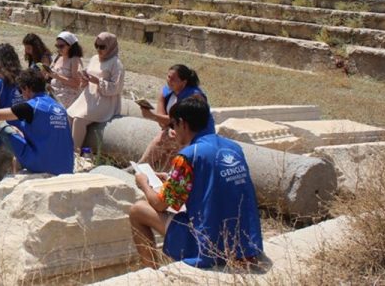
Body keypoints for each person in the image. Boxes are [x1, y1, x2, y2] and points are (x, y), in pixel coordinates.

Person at [129, 95, 263, 268]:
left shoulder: (189, 156)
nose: (172, 131)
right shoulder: (233, 147)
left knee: (137, 210)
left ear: (183, 124)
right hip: (246, 244)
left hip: (211, 245)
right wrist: (171, 179)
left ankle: (150, 271)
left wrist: (144, 183)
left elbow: (159, 204)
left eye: (173, 125)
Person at [0, 68, 74, 178]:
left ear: (27, 88)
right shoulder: (59, 107)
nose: (22, 95)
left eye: (21, 91)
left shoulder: (31, 106)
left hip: (42, 164)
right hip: (66, 166)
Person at [139, 64, 212, 171]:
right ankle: (149, 172)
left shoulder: (194, 97)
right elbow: (163, 124)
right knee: (166, 144)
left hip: (197, 136)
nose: (169, 81)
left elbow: (184, 121)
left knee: (162, 139)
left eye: (173, 79)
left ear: (184, 82)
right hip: (180, 132)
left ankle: (140, 167)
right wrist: (168, 127)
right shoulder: (166, 92)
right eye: (168, 77)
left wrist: (152, 116)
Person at [67, 32, 125, 150]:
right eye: (96, 46)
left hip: (104, 101)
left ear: (110, 46)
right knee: (68, 114)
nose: (99, 49)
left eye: (102, 47)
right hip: (88, 97)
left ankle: (74, 151)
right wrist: (84, 76)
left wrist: (98, 82)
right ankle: (64, 146)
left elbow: (116, 87)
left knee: (79, 120)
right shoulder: (94, 58)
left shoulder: (116, 64)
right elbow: (89, 75)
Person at [49, 31, 85, 108]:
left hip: (67, 98)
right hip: (53, 93)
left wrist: (57, 77)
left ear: (70, 46)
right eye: (57, 46)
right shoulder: (58, 57)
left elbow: (77, 83)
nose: (58, 48)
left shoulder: (74, 60)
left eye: (61, 46)